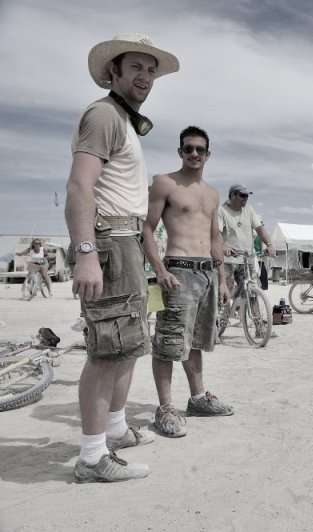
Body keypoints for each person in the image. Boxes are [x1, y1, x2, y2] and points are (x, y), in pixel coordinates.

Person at [66, 33, 179, 483]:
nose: (145, 77)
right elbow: (79, 187)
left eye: (151, 70)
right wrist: (86, 253)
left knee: (129, 344)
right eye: (135, 67)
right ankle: (92, 457)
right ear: (112, 72)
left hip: (128, 243)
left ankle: (114, 429)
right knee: (105, 351)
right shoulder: (103, 114)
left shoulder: (125, 121)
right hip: (109, 242)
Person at [142, 126, 233, 438]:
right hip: (177, 270)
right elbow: (147, 229)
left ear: (208, 154)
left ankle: (197, 398)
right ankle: (165, 407)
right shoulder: (165, 183)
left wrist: (221, 278)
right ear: (180, 152)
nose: (195, 154)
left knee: (196, 340)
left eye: (200, 149)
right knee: (168, 341)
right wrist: (160, 269)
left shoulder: (212, 193)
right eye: (189, 148)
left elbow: (215, 237)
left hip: (207, 272)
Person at [218, 184, 277, 330]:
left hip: (246, 259)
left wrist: (269, 244)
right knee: (224, 295)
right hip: (228, 261)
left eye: (247, 196)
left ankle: (259, 327)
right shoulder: (221, 211)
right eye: (242, 195)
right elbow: (216, 234)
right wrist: (223, 246)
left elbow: (260, 228)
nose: (245, 199)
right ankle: (218, 326)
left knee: (252, 293)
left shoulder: (249, 210)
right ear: (232, 195)